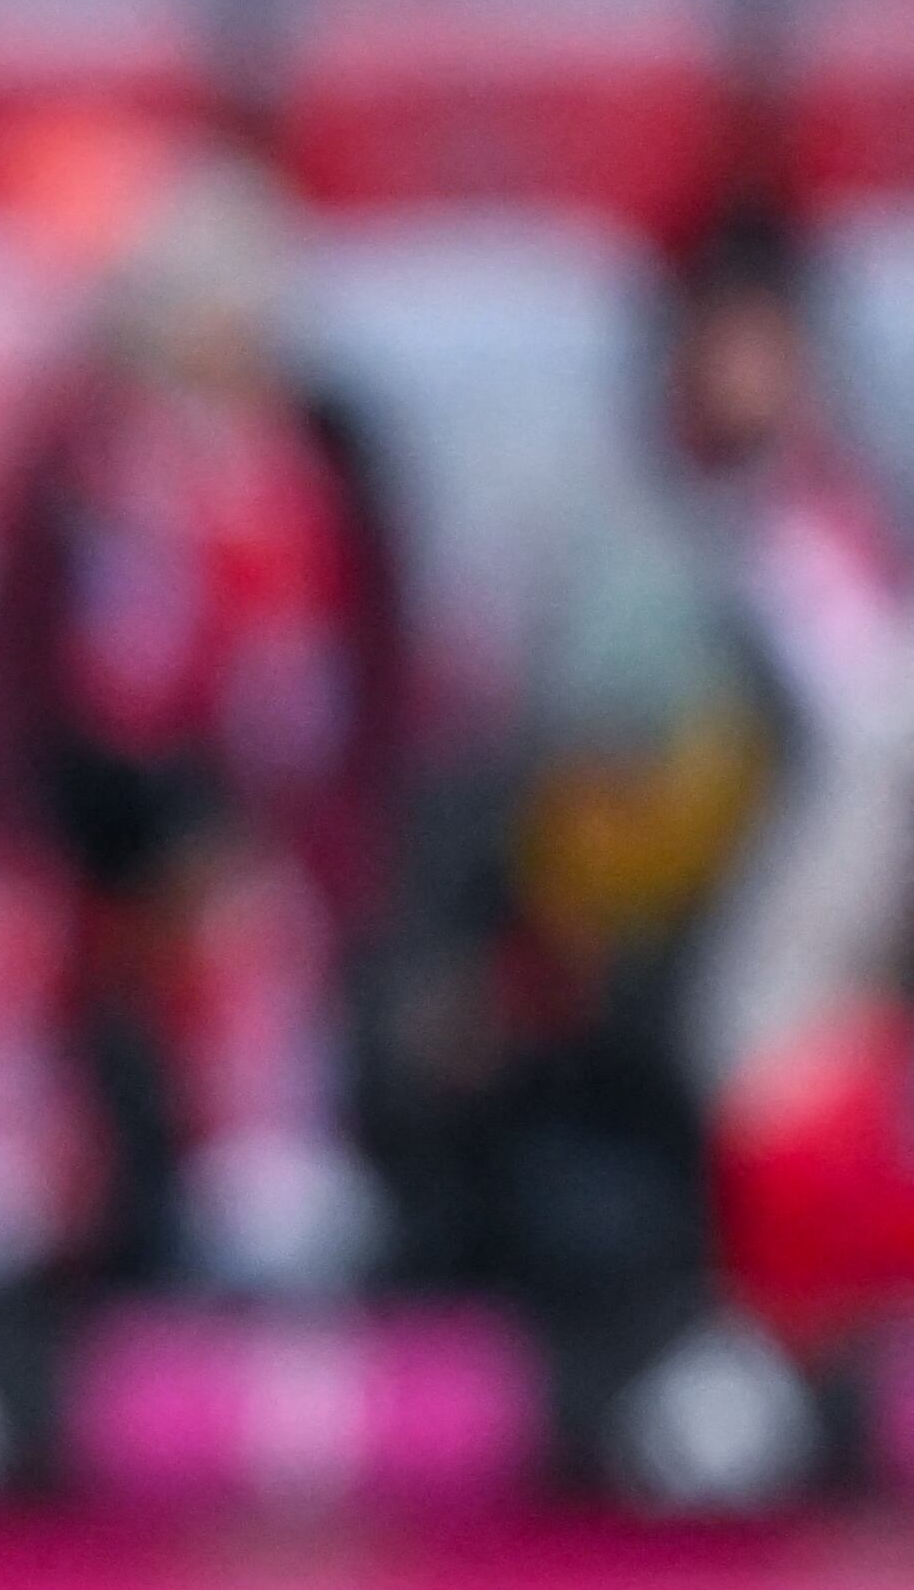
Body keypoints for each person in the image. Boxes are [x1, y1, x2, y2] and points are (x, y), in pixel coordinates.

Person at [372, 209, 910, 1457]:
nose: (750, 376)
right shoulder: (597, 530)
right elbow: (515, 768)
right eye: (726, 344)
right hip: (617, 963)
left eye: (772, 347)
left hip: (802, 971)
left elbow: (860, 787)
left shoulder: (843, 538)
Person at [0, 153, 413, 1311]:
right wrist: (22, 823)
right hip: (78, 819)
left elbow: (361, 704)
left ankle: (263, 1181)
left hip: (248, 828)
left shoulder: (321, 475)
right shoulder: (70, 466)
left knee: (252, 935)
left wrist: (311, 843)